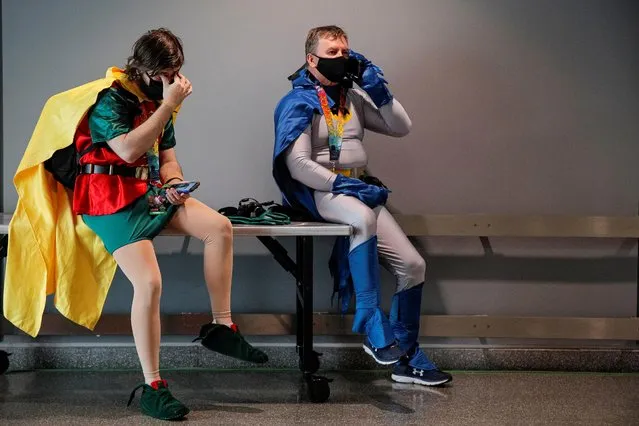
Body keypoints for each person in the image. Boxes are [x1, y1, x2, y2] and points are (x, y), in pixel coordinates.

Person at [5, 28, 267, 421]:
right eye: (166, 73)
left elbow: (168, 157)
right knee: (149, 282)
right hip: (107, 198)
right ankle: (153, 385)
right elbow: (127, 149)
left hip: (151, 192)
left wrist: (176, 184)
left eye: (177, 71)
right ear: (145, 70)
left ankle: (222, 327)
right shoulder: (110, 99)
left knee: (219, 227)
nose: (175, 80)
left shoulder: (162, 99)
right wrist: (169, 105)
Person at [272, 25, 452, 386]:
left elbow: (401, 127)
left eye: (345, 51)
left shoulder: (350, 99)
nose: (342, 58)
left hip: (360, 188)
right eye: (332, 52)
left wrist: (379, 90)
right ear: (311, 59)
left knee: (413, 265)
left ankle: (407, 357)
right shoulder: (298, 102)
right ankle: (369, 320)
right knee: (359, 217)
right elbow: (297, 165)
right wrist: (340, 183)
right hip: (322, 191)